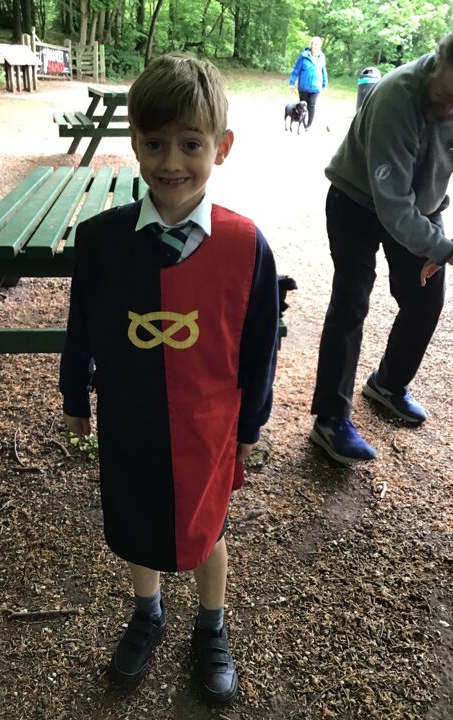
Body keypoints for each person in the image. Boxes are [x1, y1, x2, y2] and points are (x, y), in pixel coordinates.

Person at [59, 53, 279, 706]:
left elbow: (259, 345)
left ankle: (210, 624)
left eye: (190, 144)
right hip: (130, 414)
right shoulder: (102, 241)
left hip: (208, 422)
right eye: (154, 143)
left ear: (222, 147)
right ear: (135, 143)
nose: (171, 162)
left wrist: (251, 423)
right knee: (139, 515)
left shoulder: (245, 245)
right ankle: (148, 611)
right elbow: (81, 324)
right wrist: (74, 393)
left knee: (207, 526)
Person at [310, 32, 453, 465]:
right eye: (449, 96)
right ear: (440, 60)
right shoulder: (397, 95)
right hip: (356, 201)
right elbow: (393, 207)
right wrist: (443, 248)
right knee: (351, 302)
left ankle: (387, 384)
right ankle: (330, 419)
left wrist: (437, 243)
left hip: (420, 206)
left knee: (427, 299)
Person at [288, 36, 328, 129]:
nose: (316, 46)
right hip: (303, 87)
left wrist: (325, 83)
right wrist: (291, 83)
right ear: (311, 45)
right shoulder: (303, 56)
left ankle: (308, 125)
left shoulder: (322, 57)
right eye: (314, 44)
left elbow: (324, 71)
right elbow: (296, 70)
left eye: (318, 45)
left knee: (312, 105)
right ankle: (303, 122)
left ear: (320, 46)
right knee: (302, 106)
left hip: (316, 87)